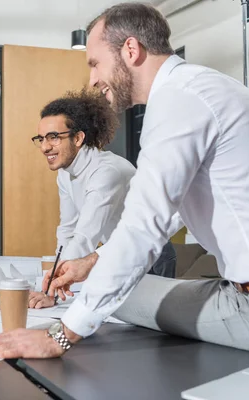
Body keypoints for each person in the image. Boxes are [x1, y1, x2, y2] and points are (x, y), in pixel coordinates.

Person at [0, 2, 249, 359]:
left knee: (119, 298)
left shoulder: (176, 101)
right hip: (237, 288)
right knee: (116, 292)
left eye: (95, 63)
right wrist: (91, 261)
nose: (93, 79)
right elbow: (173, 213)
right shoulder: (204, 87)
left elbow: (143, 226)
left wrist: (59, 336)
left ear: (130, 49)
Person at [28, 88, 176, 309]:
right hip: (116, 251)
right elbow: (67, 230)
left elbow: (85, 236)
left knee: (144, 324)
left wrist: (53, 289)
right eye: (40, 138)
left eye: (53, 137)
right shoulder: (65, 173)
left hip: (152, 254)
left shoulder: (107, 171)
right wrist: (52, 287)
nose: (44, 147)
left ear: (78, 138)